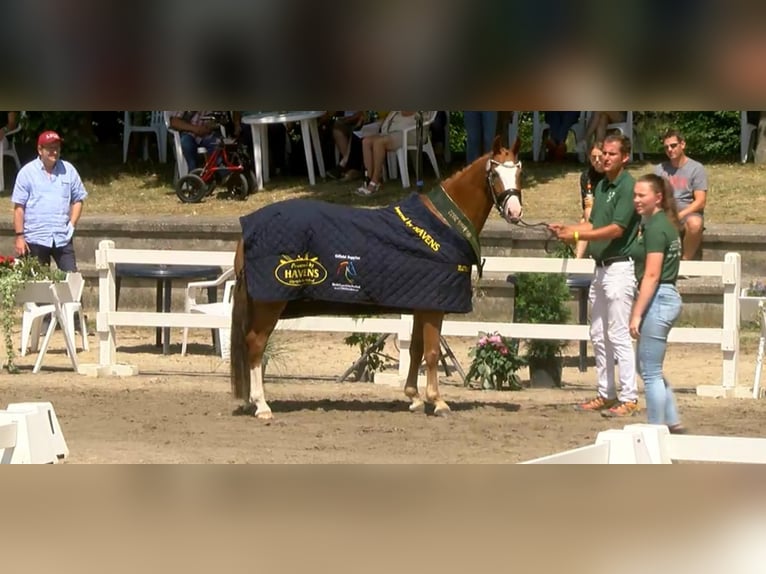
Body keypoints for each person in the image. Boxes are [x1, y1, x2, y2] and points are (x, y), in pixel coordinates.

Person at [548, 133, 641, 416]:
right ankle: (605, 392)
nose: (605, 157)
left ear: (625, 157)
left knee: (618, 334)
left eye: (612, 153)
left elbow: (616, 229)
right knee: (599, 333)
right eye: (603, 153)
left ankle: (629, 396)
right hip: (600, 268)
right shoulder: (600, 186)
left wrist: (576, 233)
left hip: (620, 267)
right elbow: (592, 224)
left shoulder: (628, 186)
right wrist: (568, 231)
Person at [628, 173, 685, 433]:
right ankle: (671, 421)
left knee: (650, 371)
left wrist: (636, 314)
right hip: (666, 296)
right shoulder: (665, 224)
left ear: (658, 197)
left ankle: (655, 429)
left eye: (642, 195)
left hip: (658, 297)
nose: (636, 200)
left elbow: (652, 275)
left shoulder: (654, 228)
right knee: (648, 367)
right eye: (635, 195)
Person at [12, 130, 88, 271]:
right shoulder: (27, 173)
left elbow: (78, 199)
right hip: (35, 238)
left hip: (62, 237)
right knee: (38, 286)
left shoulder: (69, 170)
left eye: (57, 148)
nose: (54, 152)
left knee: (72, 280)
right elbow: (19, 208)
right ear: (40, 150)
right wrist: (20, 237)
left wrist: (72, 224)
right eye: (50, 148)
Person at [653, 129, 708, 260]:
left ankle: (685, 262)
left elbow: (701, 201)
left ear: (682, 145)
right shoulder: (660, 169)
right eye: (666, 147)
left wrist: (680, 215)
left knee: (695, 224)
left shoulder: (696, 168)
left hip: (687, 212)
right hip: (666, 210)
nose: (670, 150)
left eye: (673, 146)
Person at [356, 111, 417, 196]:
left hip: (409, 130)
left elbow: (407, 113)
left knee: (379, 143)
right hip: (393, 130)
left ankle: (375, 180)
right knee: (366, 142)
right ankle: (368, 178)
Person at [575, 141, 605, 258]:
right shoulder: (586, 176)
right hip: (592, 213)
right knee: (584, 221)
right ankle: (577, 259)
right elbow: (586, 205)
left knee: (586, 222)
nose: (597, 160)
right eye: (593, 157)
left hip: (609, 212)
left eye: (600, 157)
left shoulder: (611, 174)